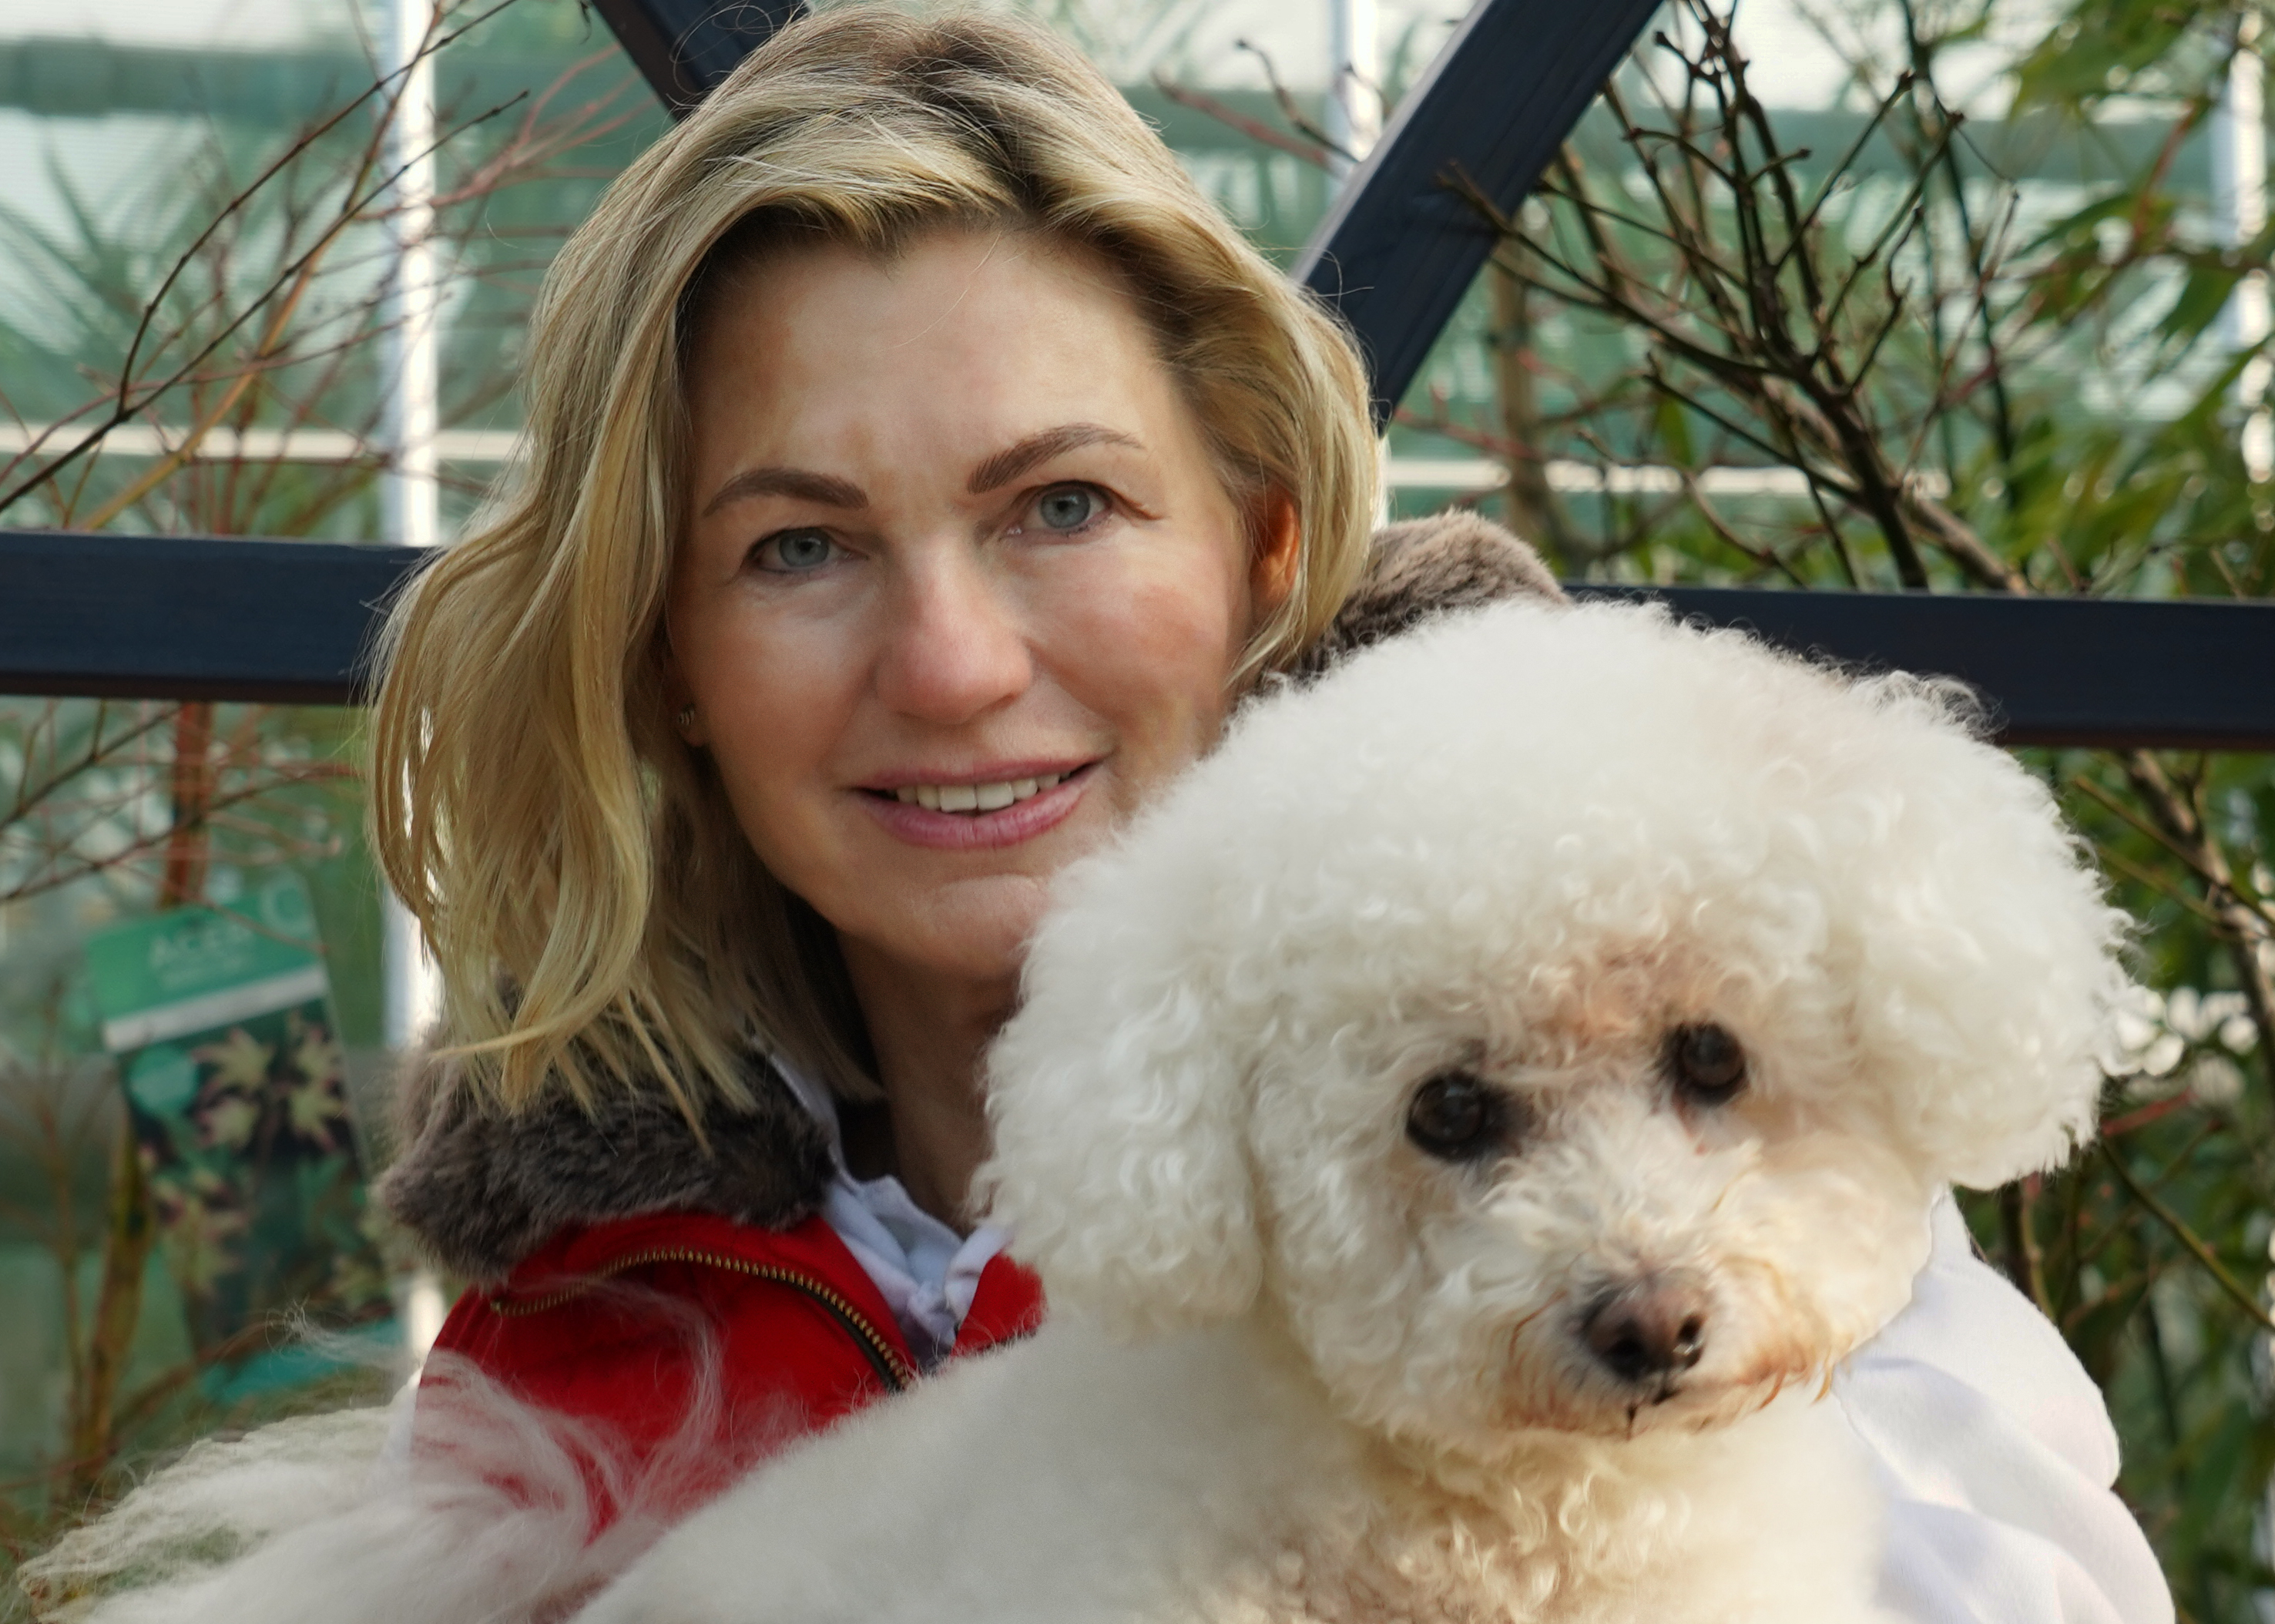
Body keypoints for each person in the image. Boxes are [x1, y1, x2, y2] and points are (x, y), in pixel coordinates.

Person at [353, 8, 2164, 1622]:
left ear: (1264, 540)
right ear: (666, 649)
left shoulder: (1787, 1179)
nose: (954, 665)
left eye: (1061, 505)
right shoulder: (557, 1344)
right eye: (798, 546)